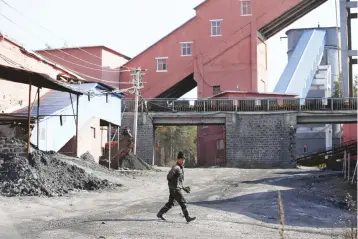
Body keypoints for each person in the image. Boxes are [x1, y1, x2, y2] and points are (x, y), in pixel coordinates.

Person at [156, 151, 196, 223]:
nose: (183, 161)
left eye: (184, 159)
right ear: (177, 160)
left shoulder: (180, 168)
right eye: (181, 159)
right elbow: (169, 176)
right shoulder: (176, 167)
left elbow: (178, 180)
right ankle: (187, 217)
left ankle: (160, 214)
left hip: (174, 188)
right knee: (183, 202)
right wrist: (173, 185)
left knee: (171, 203)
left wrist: (183, 188)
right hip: (175, 189)